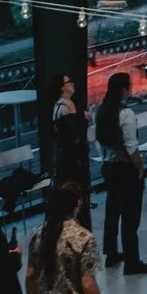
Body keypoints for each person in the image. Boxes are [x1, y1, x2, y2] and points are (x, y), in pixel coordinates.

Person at [95, 71, 147, 275]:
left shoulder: (101, 111)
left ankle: (111, 253)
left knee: (112, 210)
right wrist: (139, 168)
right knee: (130, 216)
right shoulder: (125, 114)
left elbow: (98, 141)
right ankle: (132, 261)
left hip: (109, 167)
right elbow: (131, 147)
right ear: (123, 89)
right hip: (125, 168)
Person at [48, 73, 91, 201]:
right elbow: (75, 134)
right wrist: (84, 119)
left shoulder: (57, 105)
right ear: (62, 87)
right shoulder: (68, 105)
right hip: (73, 160)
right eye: (69, 82)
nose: (73, 83)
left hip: (63, 158)